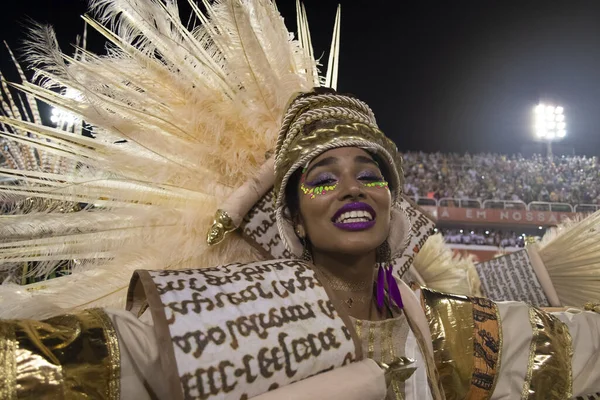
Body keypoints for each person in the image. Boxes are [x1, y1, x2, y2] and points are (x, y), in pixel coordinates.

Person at [0, 1, 599, 399]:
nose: (351, 186)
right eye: (322, 177)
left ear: (392, 205)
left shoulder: (454, 330)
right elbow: (78, 359)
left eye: (371, 173)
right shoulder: (220, 324)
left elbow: (577, 350)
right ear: (295, 220)